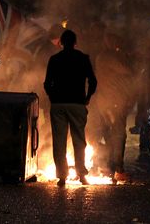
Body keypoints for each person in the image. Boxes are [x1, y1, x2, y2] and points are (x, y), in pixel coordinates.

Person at [43, 29, 97, 186]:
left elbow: (47, 83)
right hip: (77, 103)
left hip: (58, 104)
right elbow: (93, 81)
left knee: (59, 141)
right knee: (79, 140)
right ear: (75, 42)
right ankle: (81, 175)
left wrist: (53, 97)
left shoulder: (54, 59)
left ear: (61, 43)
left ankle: (62, 177)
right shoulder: (83, 58)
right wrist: (87, 98)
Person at [93, 32, 135, 182]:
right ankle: (117, 168)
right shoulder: (110, 57)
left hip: (105, 101)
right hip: (114, 101)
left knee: (109, 133)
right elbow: (127, 71)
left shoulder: (102, 56)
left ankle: (109, 165)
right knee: (118, 135)